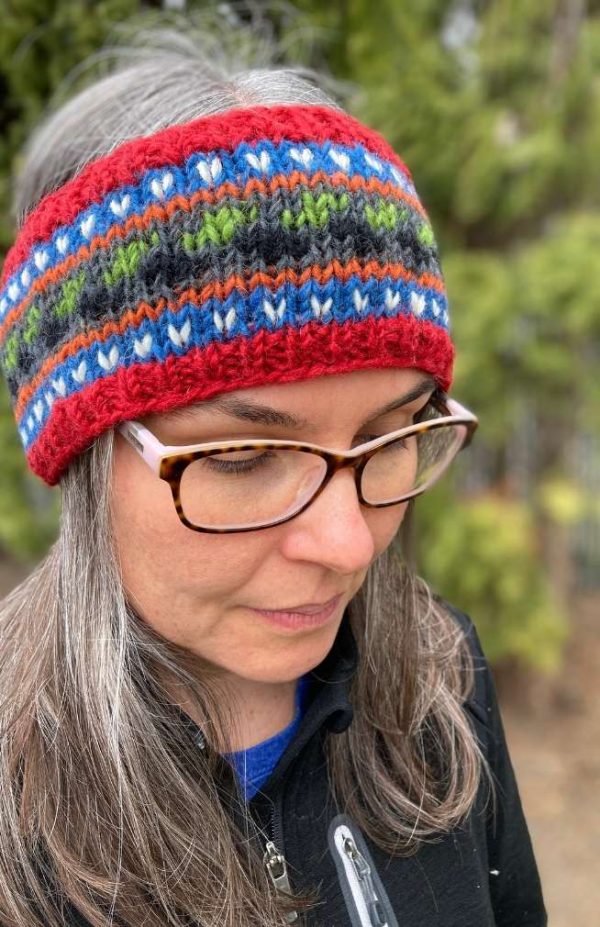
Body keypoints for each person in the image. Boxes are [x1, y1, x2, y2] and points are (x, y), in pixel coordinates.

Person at [0, 20, 547, 927]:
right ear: (83, 456)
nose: (347, 544)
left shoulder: (439, 679)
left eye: (390, 435)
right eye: (244, 456)